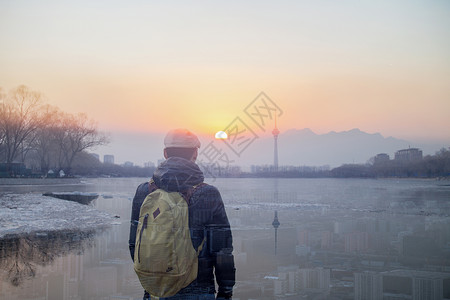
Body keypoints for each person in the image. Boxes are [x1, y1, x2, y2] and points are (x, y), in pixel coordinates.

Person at [129, 129, 235, 300]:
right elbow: (222, 250)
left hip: (155, 290)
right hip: (199, 287)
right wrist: (226, 290)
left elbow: (135, 245)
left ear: (165, 153)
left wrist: (152, 280)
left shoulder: (144, 191)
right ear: (195, 153)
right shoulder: (208, 193)